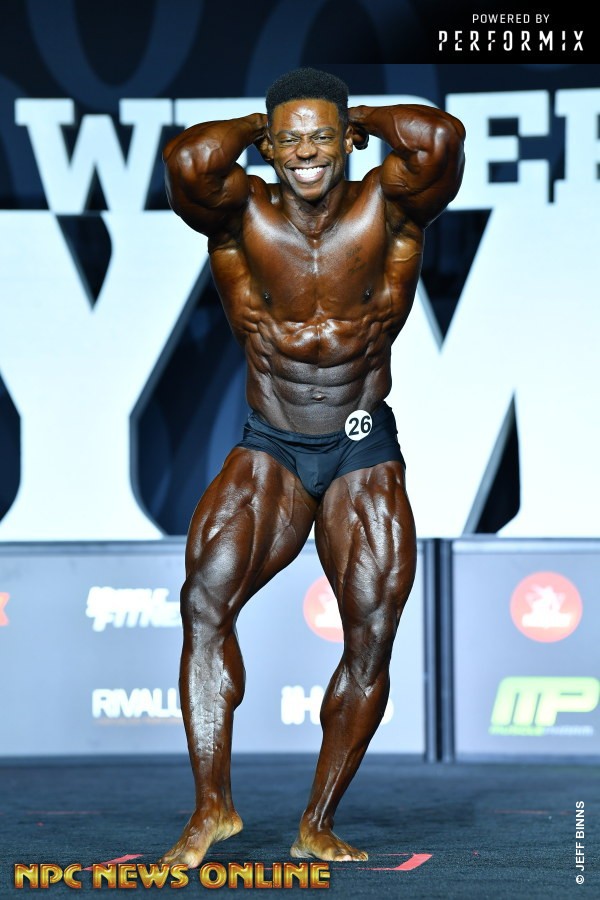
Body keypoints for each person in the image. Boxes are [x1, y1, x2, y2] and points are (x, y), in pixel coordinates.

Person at [160, 67, 465, 866]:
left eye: (321, 136)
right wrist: (262, 125)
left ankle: (316, 823)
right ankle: (212, 809)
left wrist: (355, 114)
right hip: (273, 441)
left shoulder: (389, 208)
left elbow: (440, 139)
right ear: (267, 145)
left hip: (361, 442)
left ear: (347, 139)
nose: (305, 152)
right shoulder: (241, 216)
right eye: (289, 139)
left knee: (371, 633)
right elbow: (188, 162)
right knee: (204, 600)